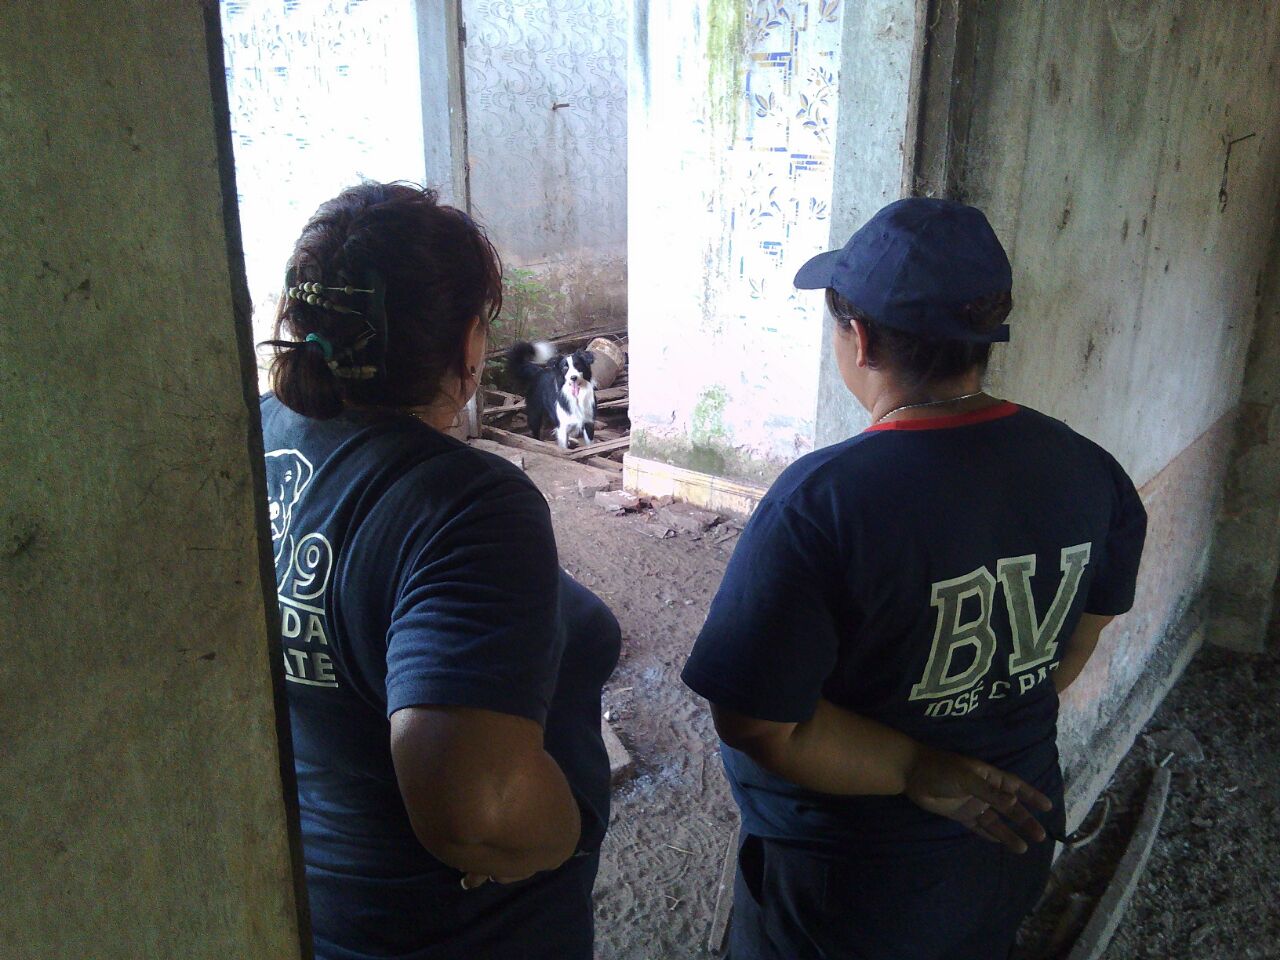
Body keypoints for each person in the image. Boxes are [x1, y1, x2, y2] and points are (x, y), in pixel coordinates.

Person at [681, 198, 1147, 960]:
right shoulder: (1094, 473)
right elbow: (1066, 655)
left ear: (859, 339)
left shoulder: (820, 505)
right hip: (1012, 836)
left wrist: (915, 765)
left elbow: (757, 723)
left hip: (854, 886)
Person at [259, 181, 620, 959]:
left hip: (314, 903)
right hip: (456, 931)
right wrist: (568, 831)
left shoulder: (258, 433)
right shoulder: (466, 502)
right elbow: (476, 817)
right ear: (467, 344)